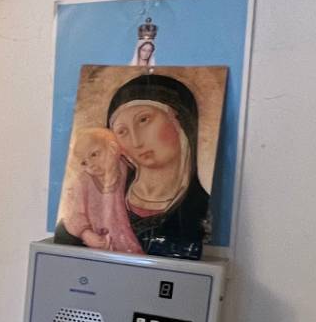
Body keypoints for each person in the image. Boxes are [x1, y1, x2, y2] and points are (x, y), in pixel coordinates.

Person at [55, 73, 211, 258]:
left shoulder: (200, 212)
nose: (136, 141)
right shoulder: (93, 194)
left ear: (180, 121)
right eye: (122, 131)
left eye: (144, 120)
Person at [58, 126, 143, 254]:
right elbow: (73, 212)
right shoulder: (83, 181)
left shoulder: (131, 171)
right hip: (99, 243)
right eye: (84, 163)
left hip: (131, 244)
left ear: (113, 149)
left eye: (94, 154)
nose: (91, 164)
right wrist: (85, 233)